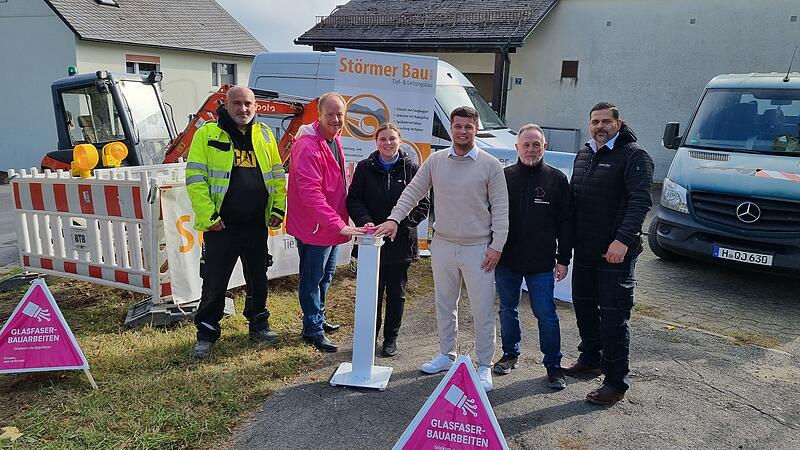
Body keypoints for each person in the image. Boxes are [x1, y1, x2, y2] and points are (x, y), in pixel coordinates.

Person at [375, 106, 509, 392]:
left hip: (479, 248)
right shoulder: (436, 161)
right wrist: (393, 218)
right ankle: (447, 354)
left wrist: (497, 246)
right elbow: (412, 191)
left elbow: (500, 210)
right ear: (451, 128)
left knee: (483, 308)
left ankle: (484, 365)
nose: (462, 131)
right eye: (458, 126)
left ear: (475, 128)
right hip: (444, 244)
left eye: (468, 127)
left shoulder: (490, 165)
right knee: (445, 305)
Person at [185, 86, 286, 359]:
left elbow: (277, 176)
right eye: (238, 104)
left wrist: (278, 208)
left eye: (248, 104)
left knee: (258, 279)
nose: (243, 109)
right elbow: (195, 180)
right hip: (222, 226)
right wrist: (210, 218)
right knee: (215, 282)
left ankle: (259, 325)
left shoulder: (264, 134)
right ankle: (206, 333)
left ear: (256, 106)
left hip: (256, 225)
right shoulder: (207, 133)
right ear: (226, 105)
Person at [566, 102, 654, 406]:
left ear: (619, 123)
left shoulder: (635, 156)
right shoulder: (585, 153)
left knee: (614, 319)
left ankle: (616, 382)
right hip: (586, 251)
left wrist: (622, 241)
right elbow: (575, 200)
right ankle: (590, 358)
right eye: (594, 122)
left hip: (616, 255)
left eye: (605, 121)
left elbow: (640, 202)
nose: (599, 126)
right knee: (584, 307)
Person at [493, 124, 572, 390]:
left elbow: (566, 223)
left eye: (536, 144)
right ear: (517, 148)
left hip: (541, 262)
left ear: (544, 147)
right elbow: (489, 216)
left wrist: (563, 259)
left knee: (546, 314)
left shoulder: (557, 179)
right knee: (507, 308)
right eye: (526, 145)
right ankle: (510, 354)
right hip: (507, 260)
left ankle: (553, 365)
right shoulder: (503, 177)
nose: (531, 149)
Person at [286, 92, 364, 353]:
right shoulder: (307, 146)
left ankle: (318, 317)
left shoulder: (333, 139)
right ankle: (312, 329)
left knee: (326, 276)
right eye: (329, 114)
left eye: (339, 114)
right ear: (318, 116)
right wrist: (337, 223)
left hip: (329, 226)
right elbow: (310, 193)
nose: (335, 119)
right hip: (315, 227)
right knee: (312, 279)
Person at [346, 123, 430, 357]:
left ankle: (391, 339)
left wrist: (397, 225)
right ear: (376, 142)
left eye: (392, 139)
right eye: (383, 139)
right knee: (371, 293)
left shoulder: (411, 168)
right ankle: (369, 337)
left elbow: (423, 205)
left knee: (396, 294)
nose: (388, 143)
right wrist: (367, 222)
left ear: (400, 141)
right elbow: (353, 199)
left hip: (400, 242)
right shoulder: (365, 168)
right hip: (370, 242)